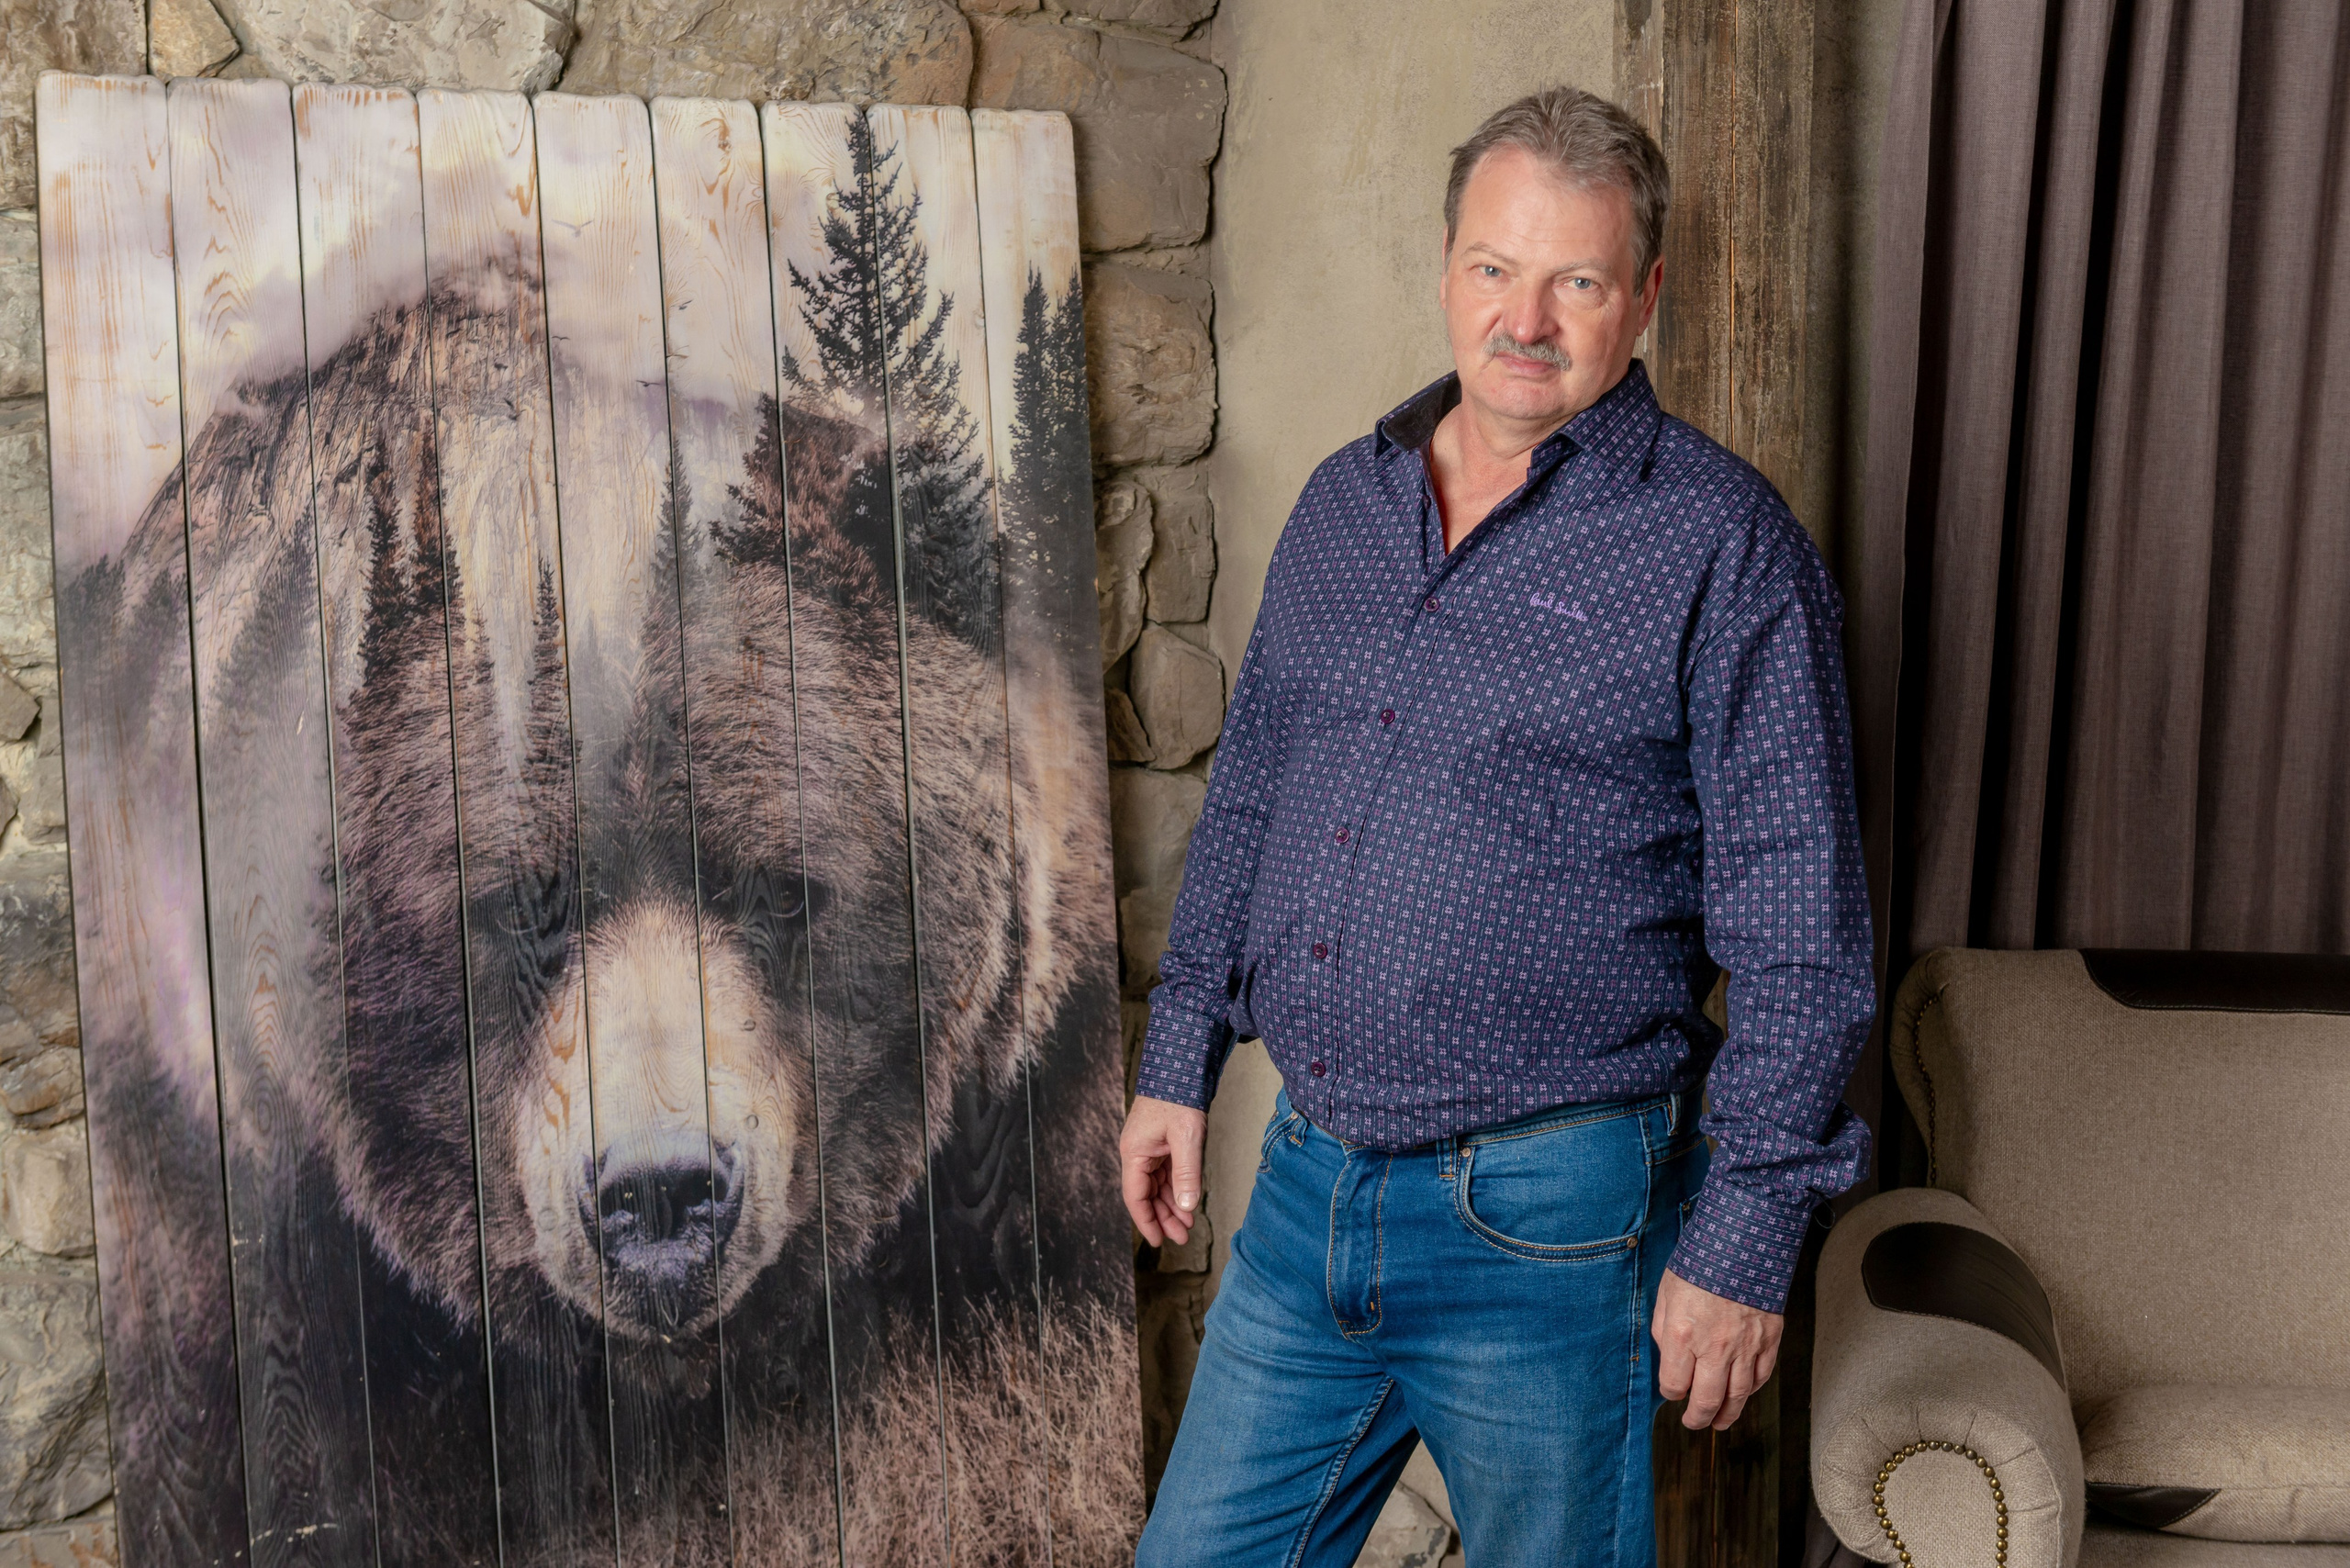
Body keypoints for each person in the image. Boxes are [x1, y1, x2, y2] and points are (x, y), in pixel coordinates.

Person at [1122, 85, 1875, 1567]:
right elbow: (1256, 796)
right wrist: (1177, 1061)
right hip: (1307, 1188)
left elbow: (1804, 936)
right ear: (1446, 265)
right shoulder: (1347, 503)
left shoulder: (1724, 547)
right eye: (1493, 267)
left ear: (1644, 297)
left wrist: (1742, 1242)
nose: (1525, 318)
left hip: (1550, 1228)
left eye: (1577, 281)